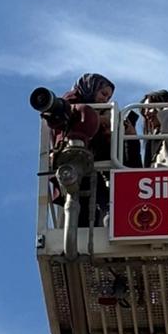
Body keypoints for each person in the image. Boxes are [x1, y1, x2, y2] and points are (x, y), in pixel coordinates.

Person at [45, 73, 117, 222]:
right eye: (103, 94)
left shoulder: (99, 110)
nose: (105, 99)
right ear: (91, 88)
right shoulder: (69, 104)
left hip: (87, 161)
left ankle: (107, 215)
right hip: (70, 158)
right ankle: (107, 214)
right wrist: (97, 119)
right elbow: (64, 122)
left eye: (108, 98)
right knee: (93, 194)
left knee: (95, 195)